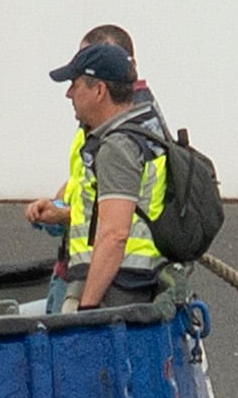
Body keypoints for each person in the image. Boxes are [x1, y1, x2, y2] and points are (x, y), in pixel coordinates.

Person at [41, 39, 174, 311]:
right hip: (134, 281)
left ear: (99, 90)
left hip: (117, 286)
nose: (68, 94)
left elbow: (114, 234)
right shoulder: (143, 131)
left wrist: (88, 309)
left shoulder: (118, 146)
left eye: (75, 85)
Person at [20, 24, 147, 254]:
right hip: (80, 257)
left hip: (111, 267)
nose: (68, 93)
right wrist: (58, 204)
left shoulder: (126, 136)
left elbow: (120, 215)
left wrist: (63, 215)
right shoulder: (95, 123)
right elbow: (83, 182)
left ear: (100, 89)